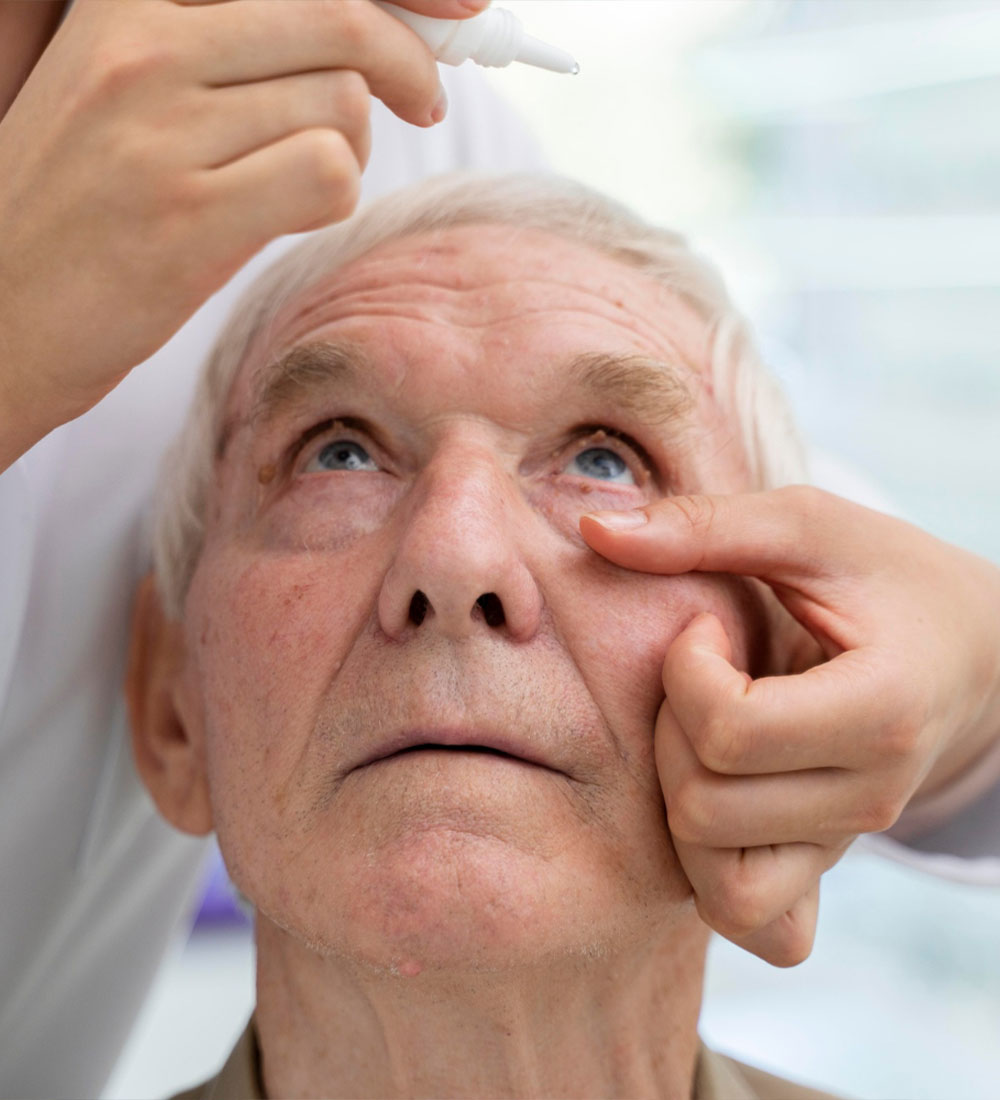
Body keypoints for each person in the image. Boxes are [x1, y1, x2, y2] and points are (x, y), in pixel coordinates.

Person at [1, 1, 998, 1096]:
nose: (457, 553)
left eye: (604, 461)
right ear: (171, 706)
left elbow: (890, 619)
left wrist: (977, 670)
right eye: (338, 453)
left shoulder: (399, 115)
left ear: (779, 663)